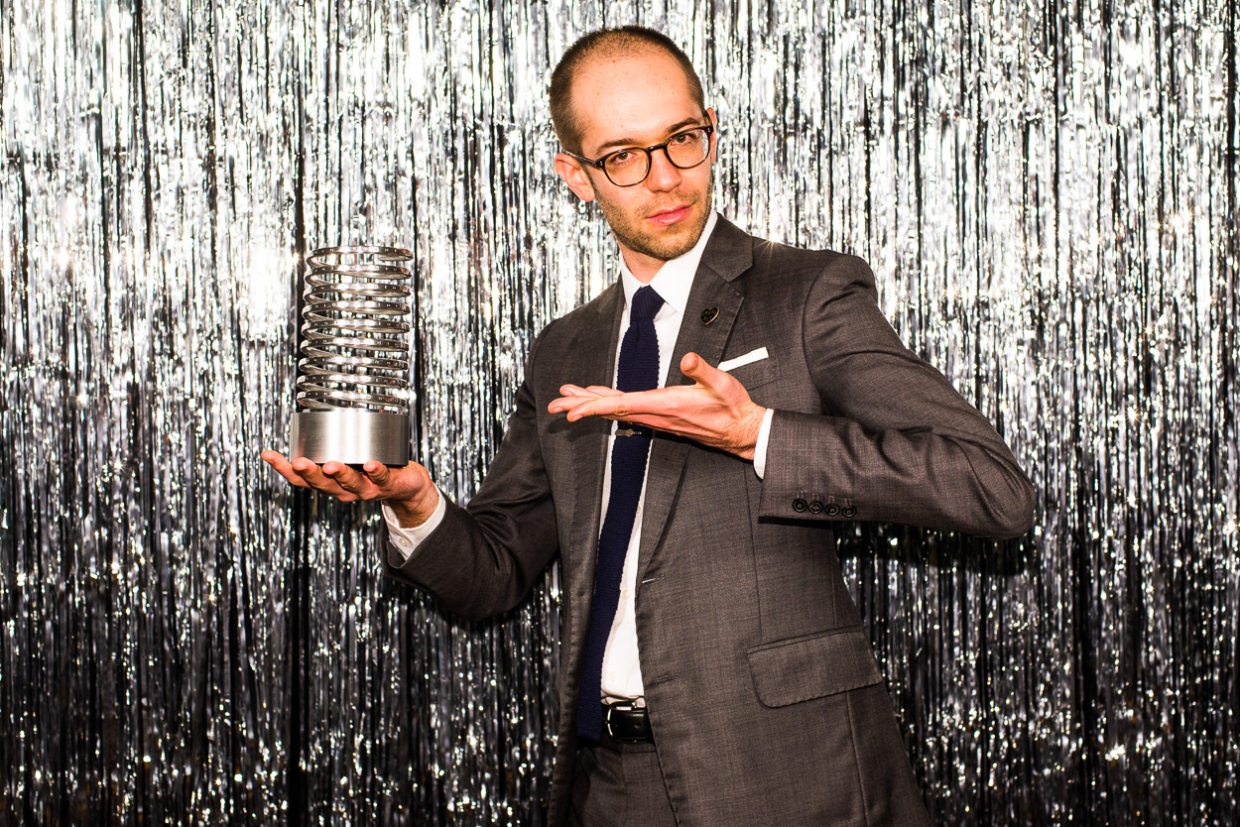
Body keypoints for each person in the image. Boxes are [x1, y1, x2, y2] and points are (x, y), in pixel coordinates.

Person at [263, 25, 1035, 826]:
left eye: (683, 140)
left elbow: (995, 491)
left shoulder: (806, 294)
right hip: (610, 785)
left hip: (791, 778)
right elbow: (492, 574)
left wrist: (762, 435)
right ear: (577, 175)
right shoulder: (566, 348)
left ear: (710, 127)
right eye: (624, 155)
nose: (665, 177)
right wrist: (414, 502)